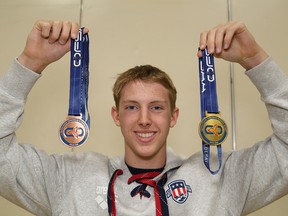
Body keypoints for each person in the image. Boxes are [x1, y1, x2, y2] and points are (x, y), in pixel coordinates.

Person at [0, 20, 287, 216]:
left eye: (157, 108)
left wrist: (255, 59)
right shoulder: (70, 177)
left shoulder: (220, 178)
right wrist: (29, 63)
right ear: (116, 115)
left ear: (174, 116)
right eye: (132, 107)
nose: (145, 119)